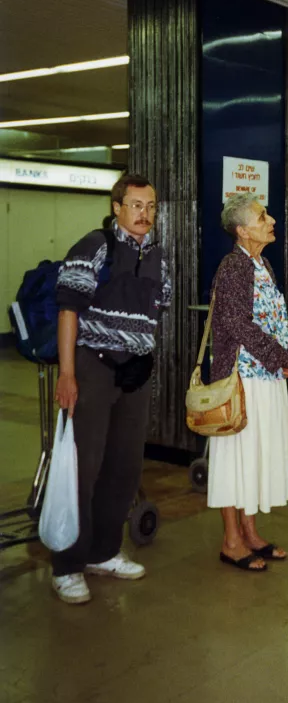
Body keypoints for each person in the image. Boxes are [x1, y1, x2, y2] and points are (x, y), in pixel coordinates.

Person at [52, 173, 172, 604]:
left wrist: (144, 355)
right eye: (137, 205)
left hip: (134, 371)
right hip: (93, 366)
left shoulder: (159, 256)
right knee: (83, 469)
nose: (145, 214)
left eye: (152, 206)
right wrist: (69, 374)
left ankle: (103, 552)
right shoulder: (94, 246)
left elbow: (156, 312)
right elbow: (68, 310)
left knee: (125, 468)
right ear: (117, 207)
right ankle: (67, 565)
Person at [207, 193, 288, 572]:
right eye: (263, 216)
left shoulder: (264, 265)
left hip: (267, 378)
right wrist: (279, 356)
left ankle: (251, 533)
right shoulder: (232, 267)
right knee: (234, 459)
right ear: (243, 230)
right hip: (241, 380)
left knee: (255, 456)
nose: (272, 219)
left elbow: (278, 314)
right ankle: (231, 541)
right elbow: (236, 324)